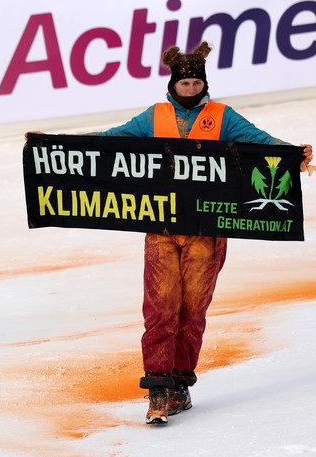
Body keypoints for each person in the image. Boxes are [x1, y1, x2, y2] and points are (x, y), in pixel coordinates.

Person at [86, 42, 313, 424]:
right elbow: (113, 139)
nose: (190, 89)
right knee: (160, 308)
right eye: (184, 83)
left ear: (203, 83)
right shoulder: (153, 117)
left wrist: (292, 152)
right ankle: (157, 388)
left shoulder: (222, 116)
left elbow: (259, 141)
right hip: (161, 226)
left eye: (195, 83)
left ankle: (179, 385)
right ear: (173, 84)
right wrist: (55, 145)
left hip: (207, 230)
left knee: (192, 310)